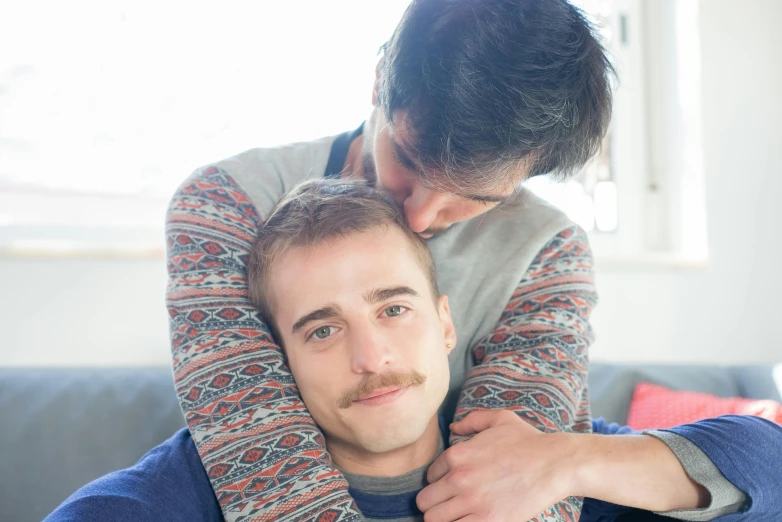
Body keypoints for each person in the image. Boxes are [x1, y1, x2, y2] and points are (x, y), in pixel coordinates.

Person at [49, 180, 782, 522]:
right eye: (323, 329)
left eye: (392, 309)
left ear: (445, 324)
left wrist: (568, 461)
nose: (371, 355)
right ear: (279, 358)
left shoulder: (531, 462)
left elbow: (768, 464)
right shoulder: (196, 490)